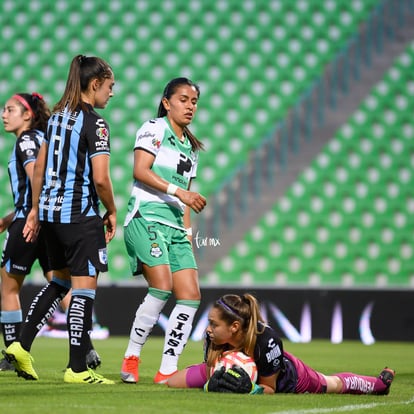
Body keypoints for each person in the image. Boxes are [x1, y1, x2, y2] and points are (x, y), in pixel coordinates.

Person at [2, 54, 116, 384]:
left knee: (59, 282)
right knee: (83, 289)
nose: (111, 93)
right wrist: (111, 210)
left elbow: (38, 168)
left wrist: (36, 210)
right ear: (94, 84)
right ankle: (77, 369)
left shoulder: (55, 119)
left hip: (50, 215)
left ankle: (20, 346)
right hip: (79, 216)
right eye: (110, 87)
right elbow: (101, 179)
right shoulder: (96, 124)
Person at [120, 77, 207, 385]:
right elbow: (140, 171)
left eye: (194, 101)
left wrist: (187, 234)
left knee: (191, 294)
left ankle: (167, 368)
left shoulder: (191, 148)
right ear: (167, 102)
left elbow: (185, 199)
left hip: (174, 226)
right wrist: (179, 192)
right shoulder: (154, 128)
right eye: (183, 99)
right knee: (162, 285)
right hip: (146, 216)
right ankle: (131, 357)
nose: (190, 106)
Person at [167, 293, 395, 395]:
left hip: (289, 378)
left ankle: (379, 384)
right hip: (236, 374)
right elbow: (210, 371)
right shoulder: (212, 337)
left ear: (234, 327)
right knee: (172, 383)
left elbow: (269, 388)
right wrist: (212, 384)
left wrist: (251, 389)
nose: (207, 329)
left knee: (332, 384)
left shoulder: (267, 340)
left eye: (213, 324)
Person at [0, 92, 52, 372]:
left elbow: (35, 177)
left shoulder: (26, 140)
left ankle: (11, 353)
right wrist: (9, 217)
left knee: (8, 285)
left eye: (10, 110)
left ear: (27, 115)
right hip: (46, 220)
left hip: (29, 221)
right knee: (59, 283)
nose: (4, 115)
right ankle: (86, 348)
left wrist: (30, 213)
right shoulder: (43, 140)